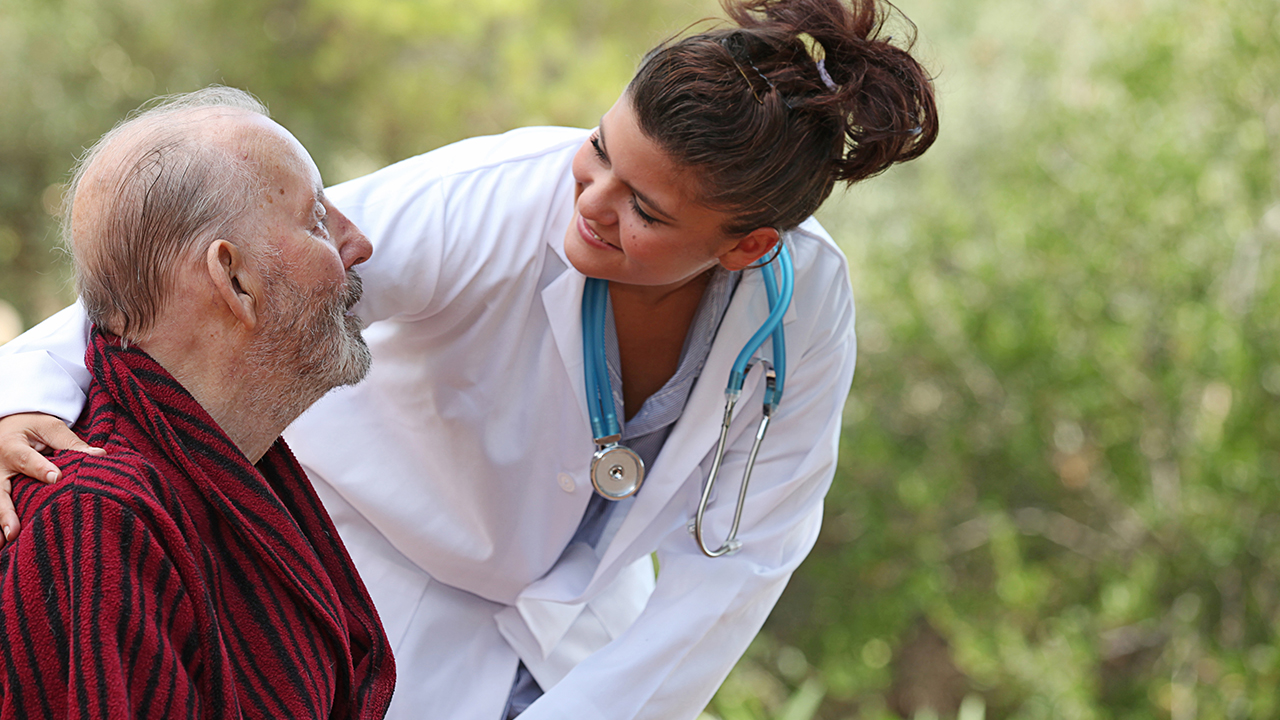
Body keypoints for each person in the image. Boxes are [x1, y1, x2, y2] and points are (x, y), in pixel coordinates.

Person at [0, 0, 936, 717]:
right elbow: (214, 275)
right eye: (600, 151)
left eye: (645, 210)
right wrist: (21, 397)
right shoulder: (492, 198)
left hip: (571, 643)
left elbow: (743, 560)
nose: (592, 202)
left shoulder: (802, 309)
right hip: (364, 578)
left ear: (748, 246)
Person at [0, 88, 395, 718]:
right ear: (234, 279)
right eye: (318, 220)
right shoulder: (97, 519)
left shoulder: (231, 462)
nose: (359, 242)